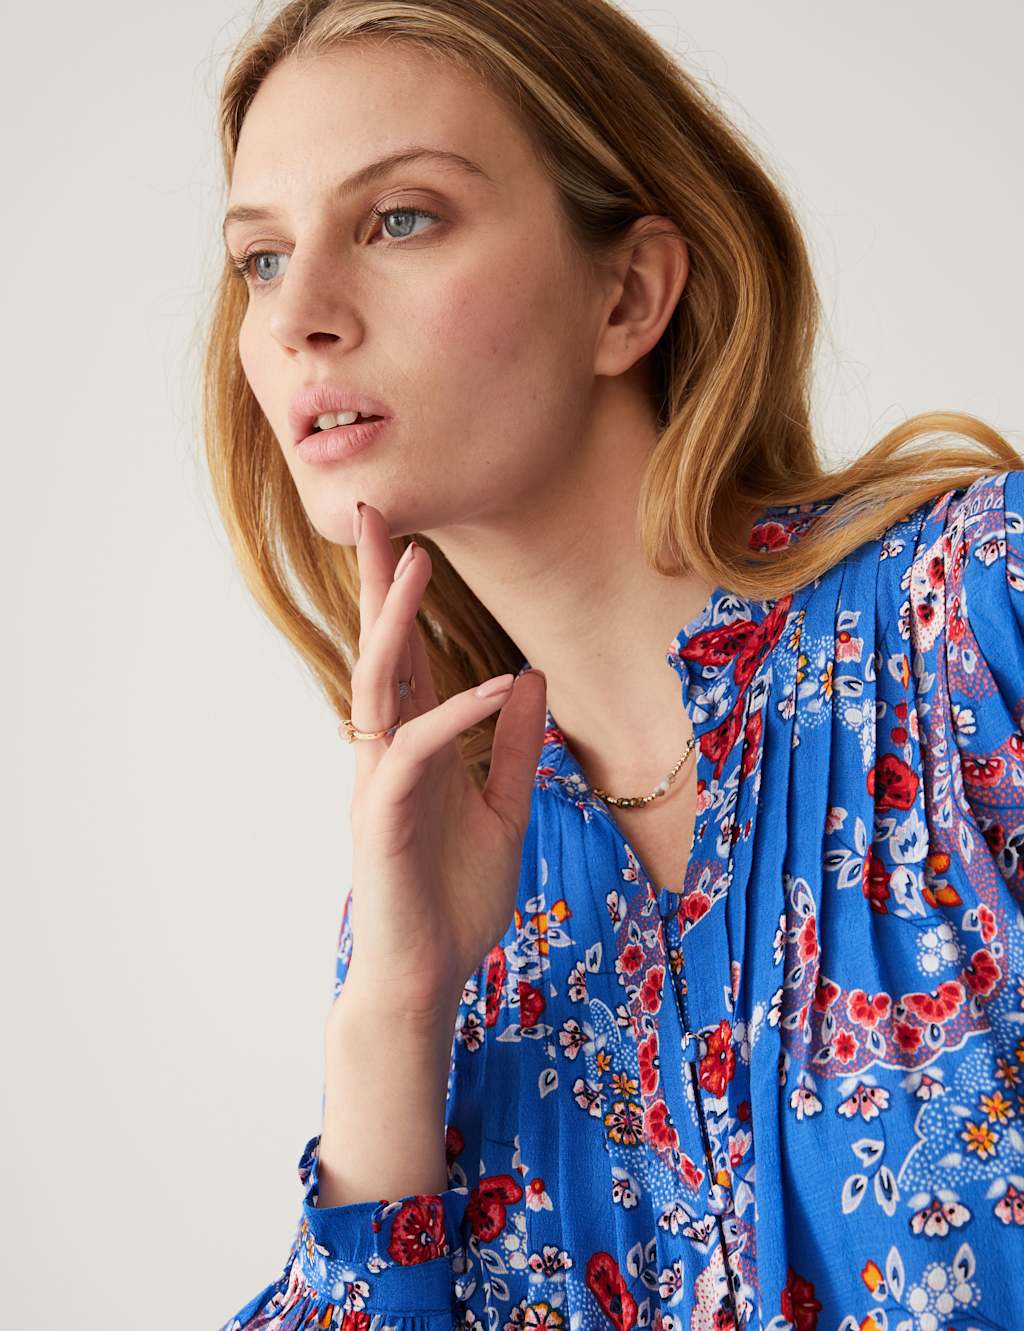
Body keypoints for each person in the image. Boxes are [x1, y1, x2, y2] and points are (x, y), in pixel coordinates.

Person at [205, 2, 1024, 1327]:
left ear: (629, 294)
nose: (297, 316)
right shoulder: (444, 892)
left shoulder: (977, 626)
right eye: (259, 258)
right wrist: (391, 1021)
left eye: (400, 218)